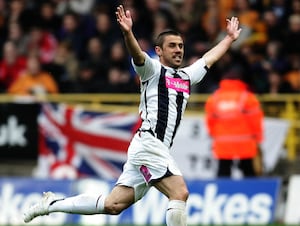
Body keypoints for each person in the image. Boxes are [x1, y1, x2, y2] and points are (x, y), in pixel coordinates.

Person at [23, 4, 241, 225]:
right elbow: (137, 55)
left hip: (151, 148)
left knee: (113, 204)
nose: (178, 50)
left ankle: (51, 205)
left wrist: (229, 38)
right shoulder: (152, 70)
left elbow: (208, 59)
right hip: (149, 144)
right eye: (172, 46)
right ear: (159, 51)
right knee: (179, 193)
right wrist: (128, 33)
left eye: (181, 46)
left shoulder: (186, 76)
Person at [204, 66, 264, 178]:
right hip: (245, 142)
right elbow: (256, 120)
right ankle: (251, 193)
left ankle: (223, 193)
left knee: (223, 171)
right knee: (248, 171)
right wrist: (258, 138)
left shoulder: (214, 98)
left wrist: (213, 134)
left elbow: (210, 120)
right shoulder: (248, 98)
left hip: (223, 143)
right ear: (241, 80)